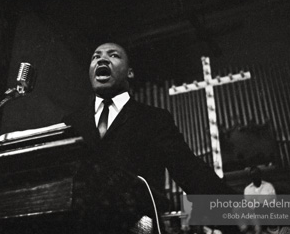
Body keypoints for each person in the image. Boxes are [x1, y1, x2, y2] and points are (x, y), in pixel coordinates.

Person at [62, 42, 232, 233]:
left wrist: (237, 214)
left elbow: (190, 172)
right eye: (96, 56)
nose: (102, 59)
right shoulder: (70, 124)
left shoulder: (154, 119)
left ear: (130, 73)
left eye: (113, 55)